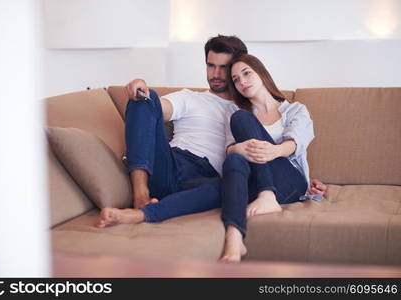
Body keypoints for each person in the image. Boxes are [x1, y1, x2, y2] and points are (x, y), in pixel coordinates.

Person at [94, 35, 326, 230]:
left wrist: (306, 177)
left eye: (224, 68)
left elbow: (273, 151)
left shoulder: (248, 112)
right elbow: (156, 108)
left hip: (208, 178)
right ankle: (141, 195)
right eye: (210, 65)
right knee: (143, 100)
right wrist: (142, 87)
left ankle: (145, 214)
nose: (215, 73)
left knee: (229, 188)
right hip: (171, 163)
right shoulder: (191, 97)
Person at [219, 54, 320, 263]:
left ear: (261, 73)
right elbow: (229, 150)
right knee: (234, 159)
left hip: (288, 182)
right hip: (251, 183)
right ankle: (235, 238)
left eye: (246, 73)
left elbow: (296, 142)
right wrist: (240, 148)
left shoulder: (295, 110)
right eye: (236, 80)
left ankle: (268, 195)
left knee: (242, 120)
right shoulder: (235, 111)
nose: (242, 82)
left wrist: (275, 151)